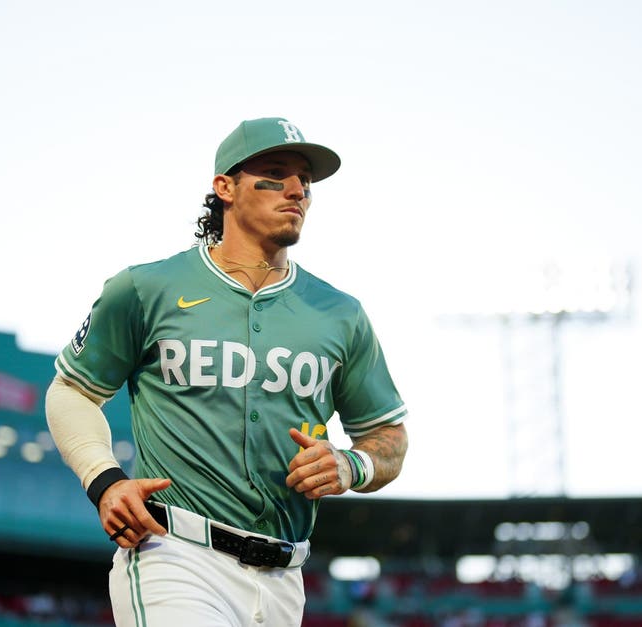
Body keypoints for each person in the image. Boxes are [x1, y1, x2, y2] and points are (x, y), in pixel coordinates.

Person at [45, 117, 409, 626]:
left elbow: (387, 436)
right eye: (275, 173)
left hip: (285, 578)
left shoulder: (340, 314)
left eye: (304, 180)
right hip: (175, 554)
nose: (296, 189)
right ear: (225, 188)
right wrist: (104, 481)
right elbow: (72, 392)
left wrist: (351, 465)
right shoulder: (146, 289)